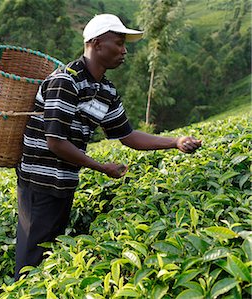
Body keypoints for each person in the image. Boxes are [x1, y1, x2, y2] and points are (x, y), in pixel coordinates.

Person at [14, 14, 202, 280]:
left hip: (64, 183)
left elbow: (127, 135)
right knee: (29, 263)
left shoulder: (106, 91)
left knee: (46, 259)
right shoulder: (65, 82)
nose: (124, 51)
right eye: (119, 43)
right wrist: (101, 167)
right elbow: (55, 142)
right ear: (97, 43)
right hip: (39, 184)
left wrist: (175, 142)